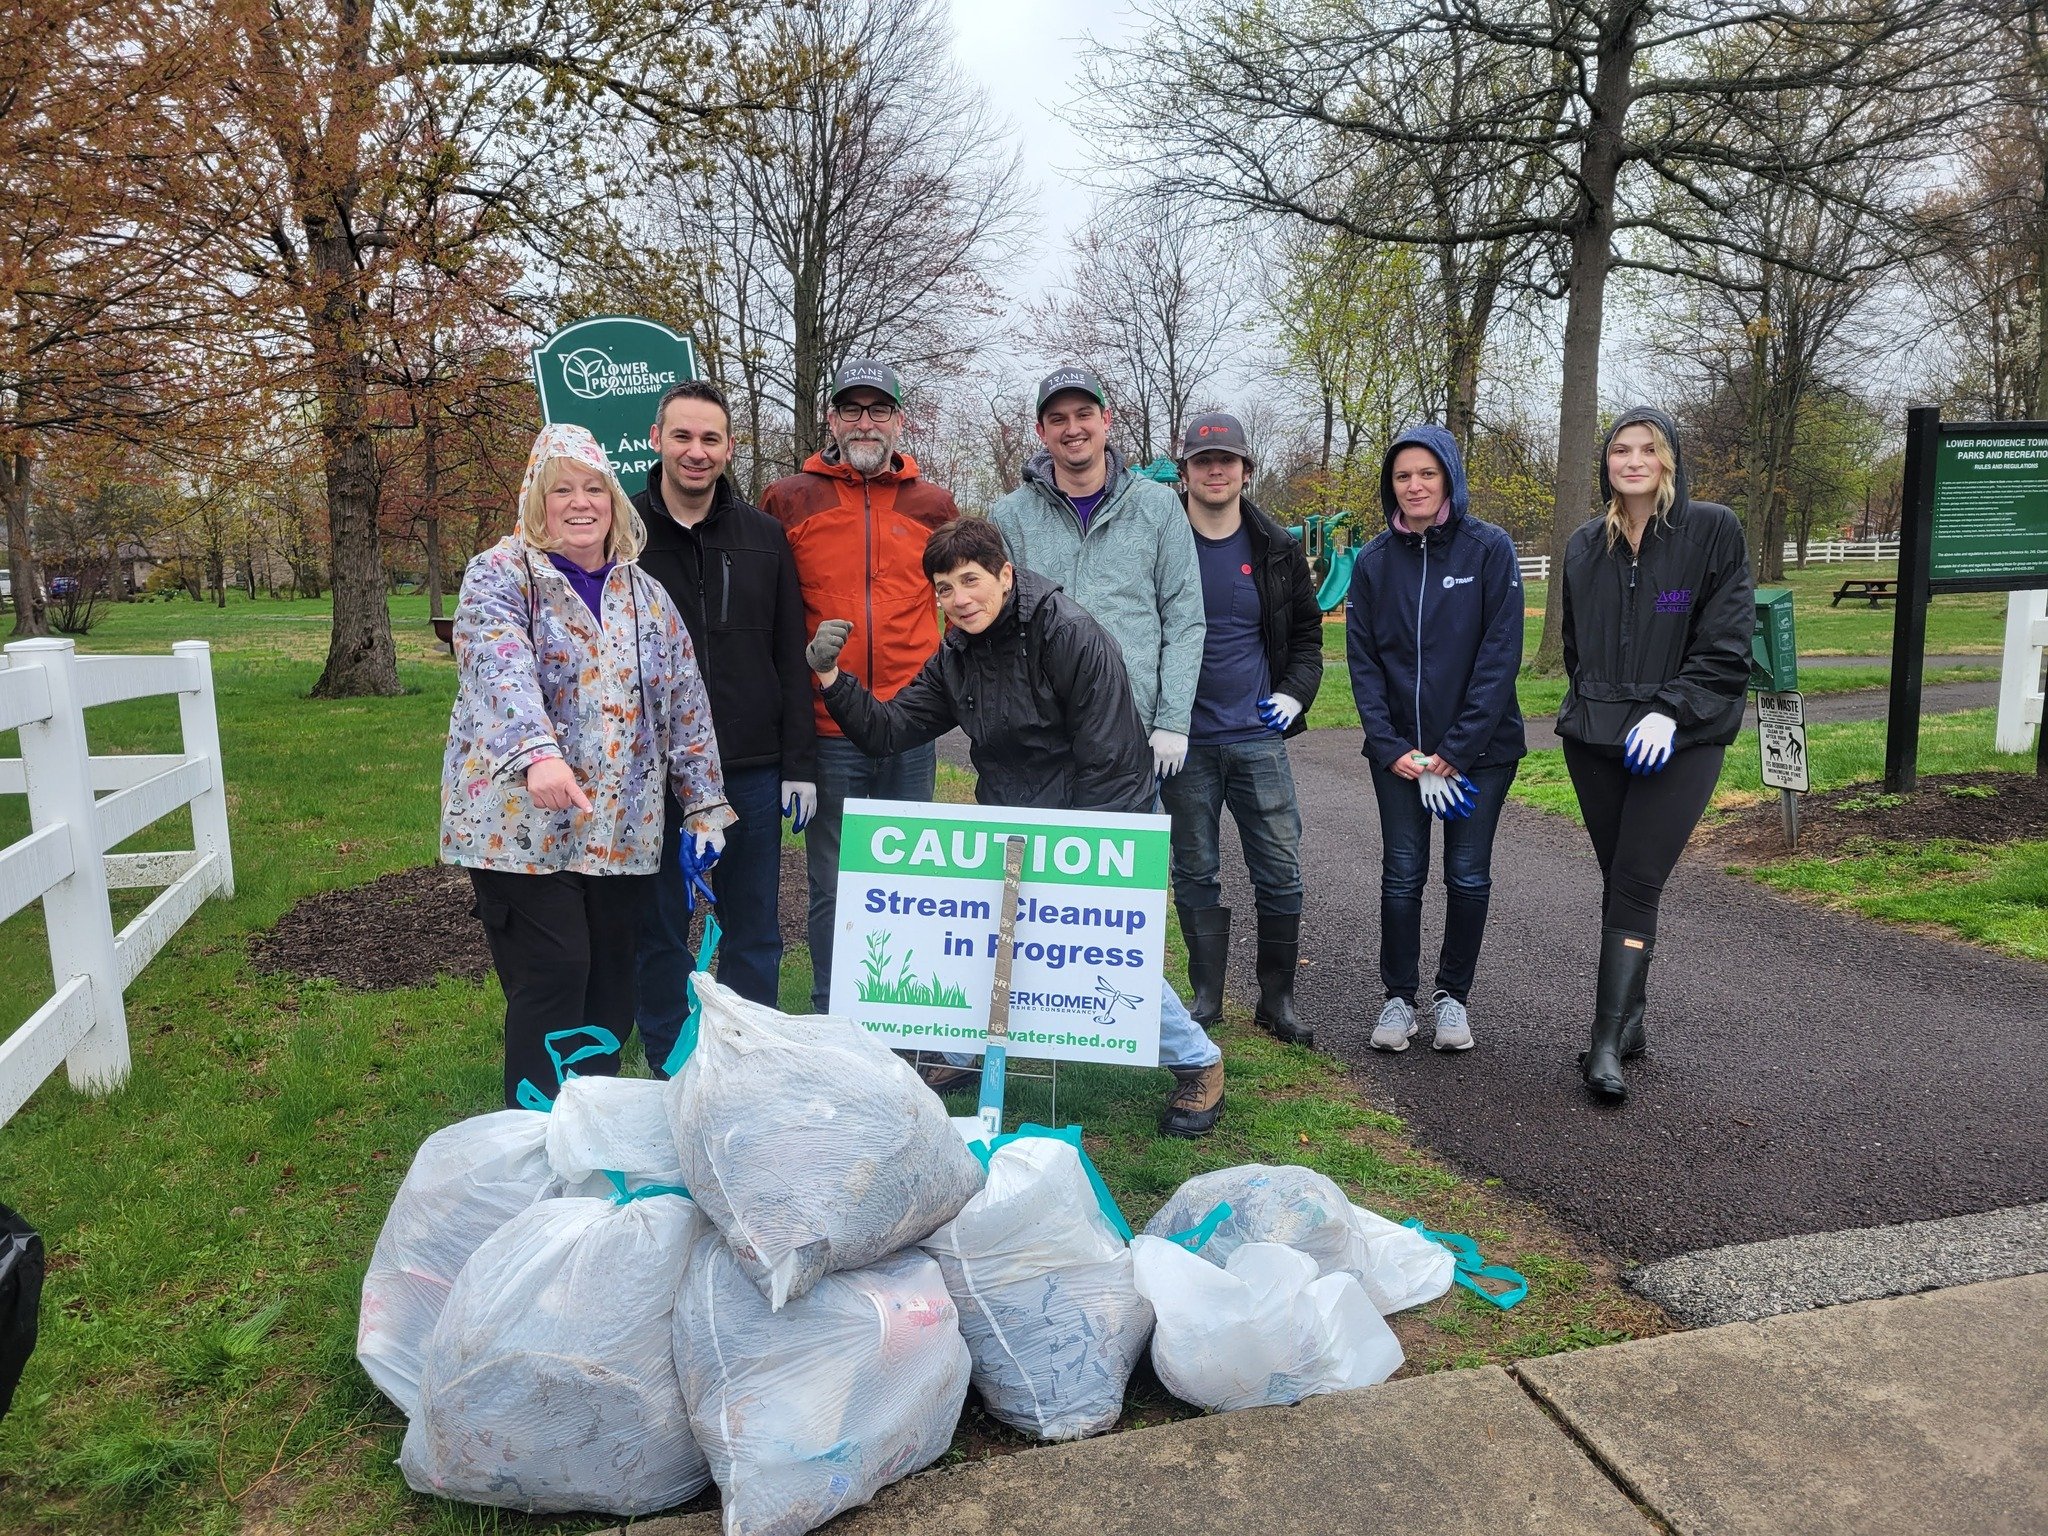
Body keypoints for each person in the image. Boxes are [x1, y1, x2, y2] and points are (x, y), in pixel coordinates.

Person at [806, 518, 1226, 1138]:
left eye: (971, 580)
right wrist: (830, 678)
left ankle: (1198, 1061)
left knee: (1095, 954)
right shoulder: (956, 654)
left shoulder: (1069, 634)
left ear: (1004, 575)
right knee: (981, 940)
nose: (960, 599)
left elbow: (1111, 754)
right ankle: (960, 1053)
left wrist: (1088, 856)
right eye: (944, 589)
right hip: (1008, 816)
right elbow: (888, 731)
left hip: (1094, 814)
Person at [441, 423, 732, 1108]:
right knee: (554, 976)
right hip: (520, 829)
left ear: (613, 501)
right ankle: (532, 1139)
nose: (580, 503)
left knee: (609, 985)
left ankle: (591, 1126)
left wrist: (704, 808)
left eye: (593, 488)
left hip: (618, 831)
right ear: (534, 502)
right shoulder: (501, 573)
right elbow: (495, 661)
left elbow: (684, 705)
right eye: (560, 490)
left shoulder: (644, 596)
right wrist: (537, 753)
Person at [990, 368, 1223, 1134]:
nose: (1071, 429)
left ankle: (1192, 1057)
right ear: (1040, 431)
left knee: (1109, 915)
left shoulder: (1158, 508)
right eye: (1056, 418)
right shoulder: (1011, 516)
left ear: (1107, 420)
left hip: (1129, 746)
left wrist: (1173, 719)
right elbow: (992, 623)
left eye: (1084, 414)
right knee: (1013, 909)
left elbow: (1184, 619)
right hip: (1039, 747)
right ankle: (989, 1046)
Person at [1558, 407, 1752, 1102]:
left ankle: (1604, 1043)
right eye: (1620, 449)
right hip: (1598, 736)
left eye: (1647, 449)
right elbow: (1578, 646)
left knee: (1638, 880)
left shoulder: (1711, 532)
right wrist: (1599, 707)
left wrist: (1671, 710)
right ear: (1606, 463)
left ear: (1669, 460)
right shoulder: (1585, 546)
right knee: (1621, 881)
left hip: (1683, 737)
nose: (1632, 460)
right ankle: (1630, 1023)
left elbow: (1727, 644)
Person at [762, 359, 958, 1010]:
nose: (866, 421)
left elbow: (961, 602)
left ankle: (899, 1009)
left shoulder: (934, 504)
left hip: (910, 722)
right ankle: (833, 1014)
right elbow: (773, 608)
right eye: (852, 409)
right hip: (830, 725)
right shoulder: (791, 498)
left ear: (901, 421)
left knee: (908, 878)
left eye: (879, 410)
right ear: (832, 421)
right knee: (835, 881)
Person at [631, 379, 815, 1043]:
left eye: (710, 438)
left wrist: (798, 762)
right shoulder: (622, 535)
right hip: (647, 773)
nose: (696, 451)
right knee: (655, 931)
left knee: (755, 931)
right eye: (682, 435)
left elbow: (790, 653)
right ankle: (665, 1057)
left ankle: (749, 1057)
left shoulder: (765, 538)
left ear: (730, 447)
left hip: (750, 768)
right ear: (657, 440)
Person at [1348, 425, 1527, 1055]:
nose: (1415, 485)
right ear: (1389, 485)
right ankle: (1399, 998)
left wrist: (1458, 750)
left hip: (1480, 756)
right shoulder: (1371, 563)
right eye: (1402, 476)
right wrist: (1391, 745)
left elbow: (1500, 655)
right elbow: (1363, 664)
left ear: (1448, 475)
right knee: (1401, 875)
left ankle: (1454, 998)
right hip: (1399, 759)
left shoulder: (1489, 550)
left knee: (1467, 874)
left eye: (1427, 473)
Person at [1163, 412, 1322, 1047]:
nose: (1216, 470)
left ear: (1246, 470)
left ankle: (1276, 998)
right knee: (1195, 868)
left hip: (1256, 736)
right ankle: (1207, 995)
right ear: (1186, 473)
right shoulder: (1161, 538)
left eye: (1227, 460)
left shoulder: (1276, 548)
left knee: (1280, 868)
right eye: (1203, 462)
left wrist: (1292, 693)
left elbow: (1307, 639)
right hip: (1182, 742)